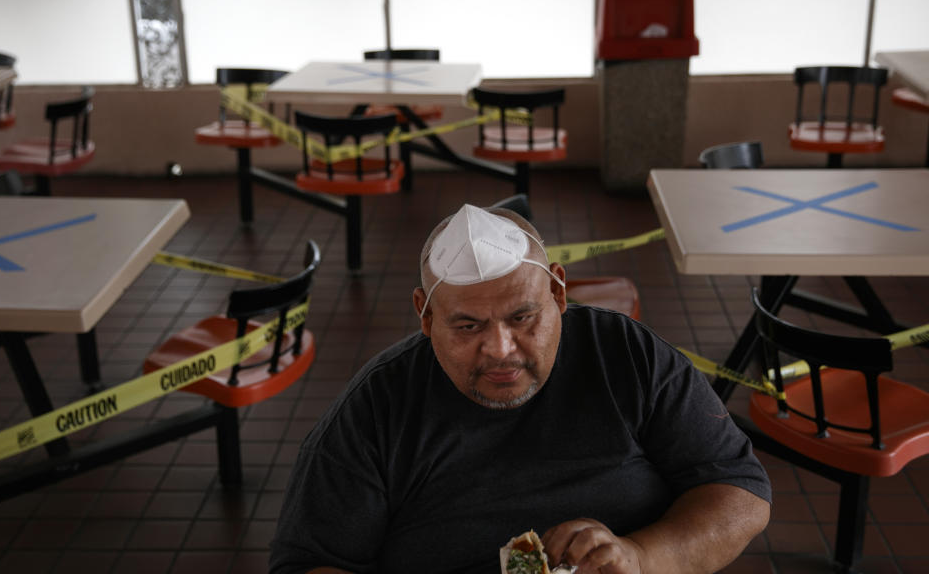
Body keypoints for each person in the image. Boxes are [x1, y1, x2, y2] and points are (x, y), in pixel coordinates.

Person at [270, 204, 771, 574]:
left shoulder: (625, 353)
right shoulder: (372, 412)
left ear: (557, 290)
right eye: (467, 326)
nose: (501, 349)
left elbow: (740, 490)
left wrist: (641, 556)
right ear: (425, 315)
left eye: (522, 316)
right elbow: (308, 564)